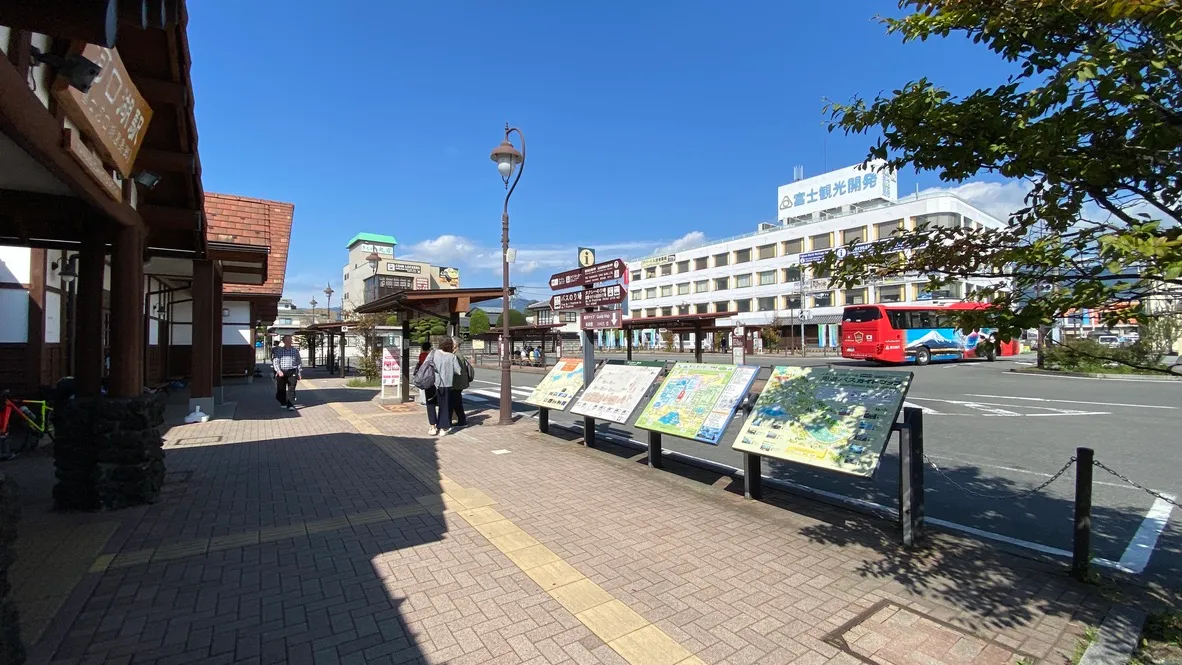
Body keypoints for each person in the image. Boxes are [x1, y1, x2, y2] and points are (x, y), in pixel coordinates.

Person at [426, 338, 461, 435]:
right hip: (446, 384)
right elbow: (458, 371)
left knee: (431, 405)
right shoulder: (452, 356)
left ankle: (432, 427)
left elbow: (425, 364)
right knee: (444, 406)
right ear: (450, 345)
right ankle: (442, 428)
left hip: (431, 383)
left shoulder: (433, 353)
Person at [272, 335, 302, 411]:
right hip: (282, 371)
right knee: (281, 389)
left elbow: (299, 362)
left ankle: (290, 404)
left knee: (292, 388)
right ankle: (282, 401)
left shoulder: (295, 351)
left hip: (292, 371)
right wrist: (278, 371)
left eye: (290, 340)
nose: (289, 342)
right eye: (287, 340)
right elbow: (275, 361)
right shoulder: (279, 351)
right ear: (284, 341)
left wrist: (299, 373)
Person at [450, 338, 473, 428]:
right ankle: (461, 420)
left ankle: (462, 421)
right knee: (456, 402)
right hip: (458, 383)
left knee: (456, 402)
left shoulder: (457, 355)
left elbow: (457, 370)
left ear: (455, 345)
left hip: (457, 383)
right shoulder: (457, 354)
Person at [414, 340, 432, 405]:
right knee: (427, 386)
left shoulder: (421, 354)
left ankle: (422, 400)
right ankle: (425, 400)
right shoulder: (428, 355)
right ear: (429, 348)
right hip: (427, 372)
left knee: (421, 387)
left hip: (421, 372)